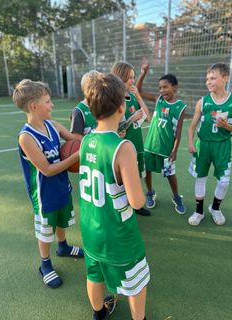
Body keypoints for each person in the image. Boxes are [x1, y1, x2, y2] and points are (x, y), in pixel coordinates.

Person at [79, 73, 150, 320]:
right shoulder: (124, 147)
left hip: (91, 229)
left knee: (94, 274)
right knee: (136, 282)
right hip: (118, 234)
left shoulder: (86, 140)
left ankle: (99, 314)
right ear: (122, 106)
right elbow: (137, 201)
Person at [13, 79, 84, 289]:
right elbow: (47, 169)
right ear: (34, 106)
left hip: (62, 187)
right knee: (46, 230)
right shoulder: (26, 137)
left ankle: (62, 246)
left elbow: (77, 140)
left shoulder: (54, 126)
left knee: (63, 220)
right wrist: (77, 156)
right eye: (48, 101)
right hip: (44, 195)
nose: (51, 105)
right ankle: (45, 264)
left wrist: (101, 136)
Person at [187, 63, 232, 226]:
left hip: (222, 146)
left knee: (224, 181)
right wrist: (190, 142)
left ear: (225, 78)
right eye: (207, 78)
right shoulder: (203, 101)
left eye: (213, 78)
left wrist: (226, 126)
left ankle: (215, 208)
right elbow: (192, 125)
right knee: (200, 178)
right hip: (203, 146)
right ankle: (198, 211)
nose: (208, 81)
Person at [136, 62, 186, 214]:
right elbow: (138, 91)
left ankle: (176, 196)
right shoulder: (159, 100)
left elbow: (178, 131)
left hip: (166, 149)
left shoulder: (180, 106)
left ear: (174, 87)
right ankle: (150, 192)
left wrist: (175, 150)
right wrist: (143, 72)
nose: (162, 90)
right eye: (160, 88)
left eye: (165, 87)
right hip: (151, 145)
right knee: (148, 171)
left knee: (170, 175)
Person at [111, 62, 151, 216]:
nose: (132, 81)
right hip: (123, 150)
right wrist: (131, 119)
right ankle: (124, 206)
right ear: (120, 79)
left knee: (136, 177)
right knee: (123, 180)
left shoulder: (132, 97)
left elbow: (147, 117)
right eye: (129, 78)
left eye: (134, 77)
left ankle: (136, 205)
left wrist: (139, 96)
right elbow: (115, 130)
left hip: (137, 146)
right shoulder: (115, 102)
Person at [70, 70, 101, 140]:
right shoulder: (78, 112)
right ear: (89, 89)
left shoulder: (103, 107)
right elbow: (77, 139)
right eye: (100, 88)